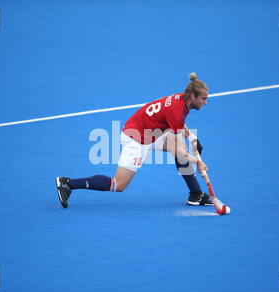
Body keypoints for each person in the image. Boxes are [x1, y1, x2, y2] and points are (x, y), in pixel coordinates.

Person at [56, 72, 229, 211]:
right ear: (192, 96)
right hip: (136, 139)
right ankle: (68, 183)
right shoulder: (177, 111)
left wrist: (192, 138)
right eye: (203, 98)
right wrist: (198, 162)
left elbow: (178, 125)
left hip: (150, 133)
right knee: (119, 184)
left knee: (179, 148)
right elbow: (181, 144)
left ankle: (195, 195)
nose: (206, 102)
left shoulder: (181, 99)